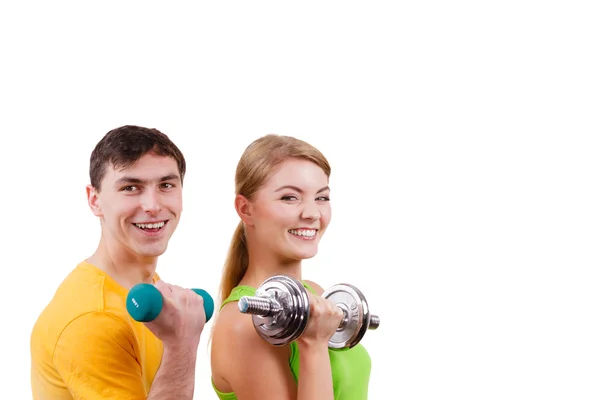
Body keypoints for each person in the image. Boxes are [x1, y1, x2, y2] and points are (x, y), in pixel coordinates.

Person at [30, 125, 208, 399]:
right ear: (95, 200)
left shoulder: (143, 287)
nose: (152, 205)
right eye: (130, 187)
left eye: (166, 185)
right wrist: (182, 344)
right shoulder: (93, 321)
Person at [210, 134, 372, 400]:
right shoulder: (242, 326)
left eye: (321, 197)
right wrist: (313, 344)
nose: (312, 213)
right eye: (289, 198)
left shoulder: (316, 293)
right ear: (245, 209)